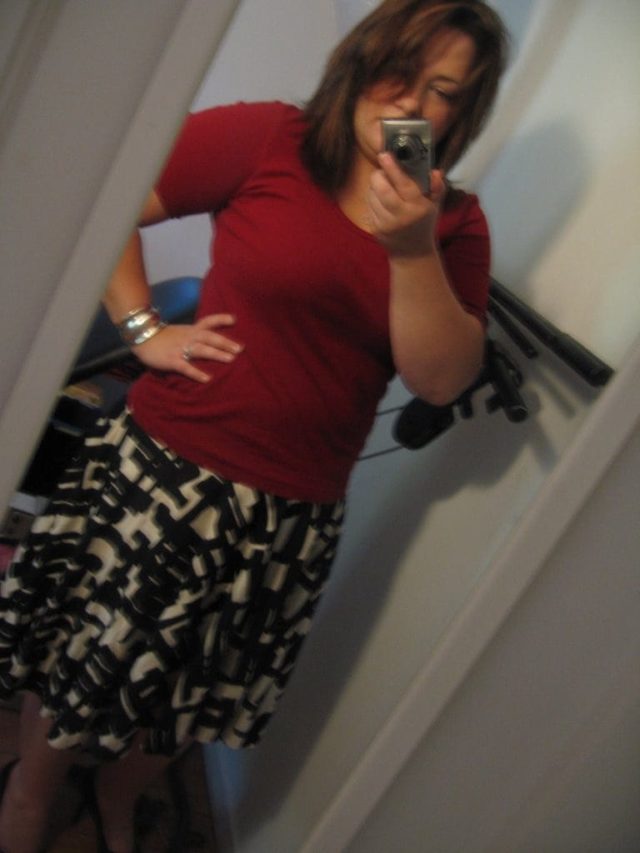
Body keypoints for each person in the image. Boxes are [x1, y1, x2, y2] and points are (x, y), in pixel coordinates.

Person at [0, 1, 507, 850]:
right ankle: (29, 792)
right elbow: (111, 200)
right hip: (165, 472)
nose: (410, 102)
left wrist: (413, 250)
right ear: (361, 59)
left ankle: (114, 798)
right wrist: (144, 331)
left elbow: (442, 376)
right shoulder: (272, 138)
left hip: (291, 514)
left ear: (464, 112)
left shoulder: (453, 225)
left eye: (443, 91)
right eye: (398, 71)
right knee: (84, 651)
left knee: (195, 694)